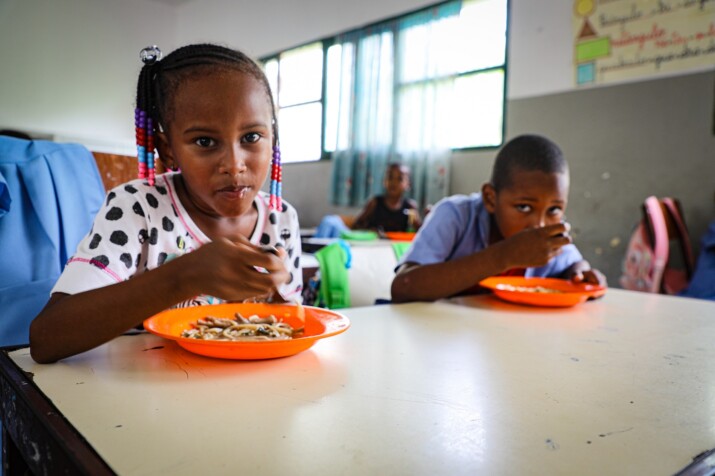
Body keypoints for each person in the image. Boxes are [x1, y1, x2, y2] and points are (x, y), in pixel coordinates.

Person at [29, 43, 302, 363]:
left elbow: (292, 323)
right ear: (168, 149)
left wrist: (275, 296)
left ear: (273, 137)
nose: (234, 164)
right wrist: (185, 276)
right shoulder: (136, 208)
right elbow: (46, 339)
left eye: (251, 137)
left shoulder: (281, 218)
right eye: (205, 141)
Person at [391, 134, 606, 303]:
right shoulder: (455, 215)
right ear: (490, 198)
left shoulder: (549, 239)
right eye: (524, 207)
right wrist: (504, 256)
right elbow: (403, 287)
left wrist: (580, 274)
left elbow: (575, 264)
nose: (538, 224)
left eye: (554, 209)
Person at [314, 163, 421, 238]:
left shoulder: (410, 206)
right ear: (384, 181)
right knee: (329, 221)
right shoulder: (375, 202)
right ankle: (314, 249)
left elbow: (420, 234)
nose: (393, 182)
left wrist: (416, 224)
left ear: (408, 184)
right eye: (390, 177)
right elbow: (356, 225)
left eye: (399, 179)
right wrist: (370, 231)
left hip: (386, 243)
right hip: (364, 238)